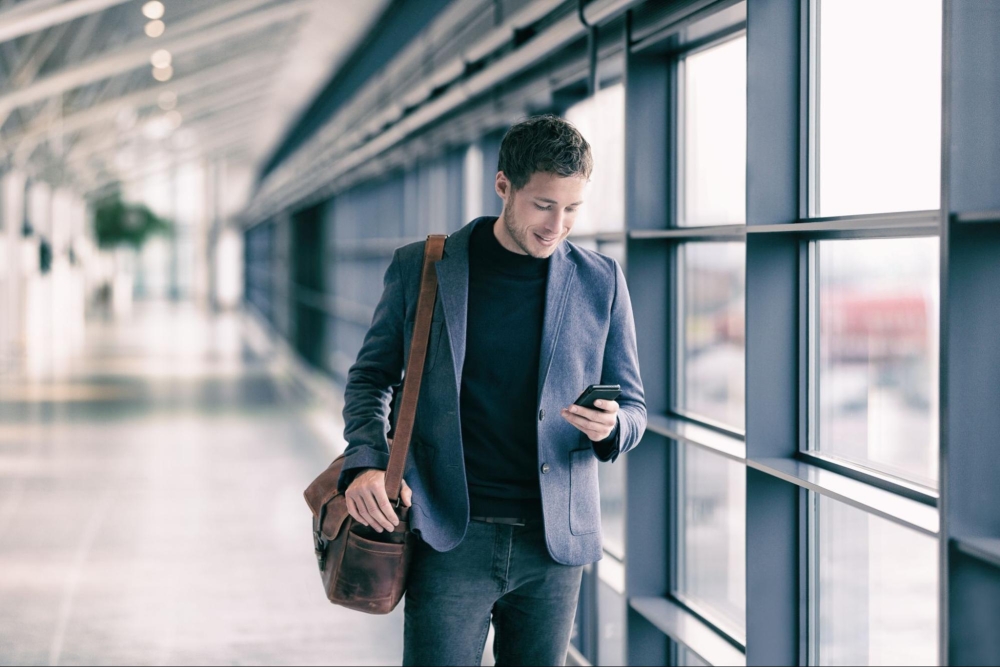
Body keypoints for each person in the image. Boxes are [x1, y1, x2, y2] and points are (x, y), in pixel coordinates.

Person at [337, 114, 646, 666]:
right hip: (449, 534)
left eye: (572, 208)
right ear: (503, 186)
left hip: (553, 547)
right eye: (543, 205)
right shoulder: (424, 268)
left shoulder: (602, 281)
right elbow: (369, 378)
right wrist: (365, 461)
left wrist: (614, 426)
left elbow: (635, 408)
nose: (558, 225)